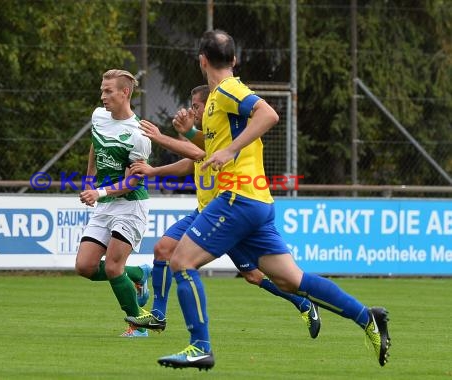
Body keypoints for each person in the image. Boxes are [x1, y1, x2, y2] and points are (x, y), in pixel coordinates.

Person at [155, 30, 390, 371]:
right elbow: (212, 147)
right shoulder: (220, 100)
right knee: (291, 280)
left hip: (236, 197)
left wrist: (230, 150)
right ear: (234, 59)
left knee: (180, 262)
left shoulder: (228, 89)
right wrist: (191, 134)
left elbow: (269, 115)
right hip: (256, 202)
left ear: (202, 60)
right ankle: (367, 317)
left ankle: (199, 347)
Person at [125, 85, 321, 340]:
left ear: (211, 105)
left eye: (197, 106)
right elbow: (191, 162)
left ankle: (303, 302)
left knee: (253, 276)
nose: (193, 111)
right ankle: (158, 315)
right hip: (203, 212)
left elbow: (198, 152)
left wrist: (160, 137)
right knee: (163, 248)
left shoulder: (221, 134)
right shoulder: (203, 133)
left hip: (226, 214)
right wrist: (154, 171)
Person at [74, 69, 153, 338]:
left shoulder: (139, 134)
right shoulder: (99, 117)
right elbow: (95, 147)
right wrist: (88, 181)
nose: (103, 96)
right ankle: (138, 274)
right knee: (84, 266)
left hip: (130, 205)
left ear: (125, 93)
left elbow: (133, 182)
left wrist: (100, 193)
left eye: (108, 91)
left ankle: (138, 325)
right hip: (106, 204)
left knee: (112, 267)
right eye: (102, 90)